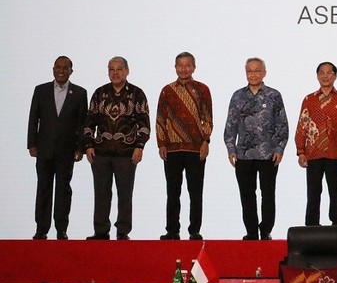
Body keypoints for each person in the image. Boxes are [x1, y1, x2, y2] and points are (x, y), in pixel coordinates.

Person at [84, 56, 150, 240]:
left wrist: (139, 146)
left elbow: (144, 124)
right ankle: (101, 231)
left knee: (125, 194)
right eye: (111, 69)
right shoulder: (99, 93)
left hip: (126, 154)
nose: (115, 73)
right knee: (101, 193)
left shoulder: (137, 94)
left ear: (127, 71)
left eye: (119, 69)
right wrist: (88, 145)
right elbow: (89, 122)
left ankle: (122, 232)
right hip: (101, 153)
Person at [224, 57, 289, 240]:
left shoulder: (273, 95)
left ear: (264, 73)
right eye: (249, 71)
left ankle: (266, 230)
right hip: (243, 154)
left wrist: (280, 149)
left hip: (268, 153)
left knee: (268, 194)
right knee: (247, 194)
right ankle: (251, 231)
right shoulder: (237, 96)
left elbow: (282, 124)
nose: (253, 74)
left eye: (257, 71)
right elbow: (231, 124)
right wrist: (231, 149)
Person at [27, 56, 88, 240]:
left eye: (65, 68)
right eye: (58, 67)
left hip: (67, 151)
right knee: (43, 188)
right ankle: (41, 229)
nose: (61, 71)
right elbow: (33, 118)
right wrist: (32, 143)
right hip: (44, 149)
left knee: (63, 190)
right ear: (53, 69)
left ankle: (61, 229)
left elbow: (82, 123)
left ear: (71, 70)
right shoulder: (41, 90)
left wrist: (81, 148)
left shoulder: (79, 93)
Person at [156, 52, 213, 241]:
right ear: (175, 67)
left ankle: (194, 230)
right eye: (180, 65)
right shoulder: (167, 90)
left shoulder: (202, 89)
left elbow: (207, 117)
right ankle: (172, 230)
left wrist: (206, 141)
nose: (184, 68)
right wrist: (161, 143)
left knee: (196, 192)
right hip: (171, 149)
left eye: (188, 65)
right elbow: (160, 119)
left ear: (194, 67)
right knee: (173, 192)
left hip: (196, 148)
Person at [295, 61, 337, 226]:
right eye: (322, 72)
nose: (325, 76)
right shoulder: (309, 99)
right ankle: (312, 225)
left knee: (336, 191)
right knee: (313, 192)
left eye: (329, 73)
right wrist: (301, 151)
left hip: (336, 153)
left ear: (335, 76)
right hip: (313, 152)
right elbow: (302, 125)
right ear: (317, 76)